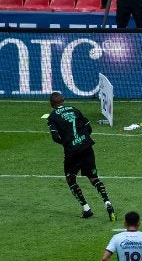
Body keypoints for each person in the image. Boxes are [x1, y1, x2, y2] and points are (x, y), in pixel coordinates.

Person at [47, 91, 115, 221]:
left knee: (71, 179)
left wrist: (67, 143)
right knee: (94, 178)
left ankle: (86, 209)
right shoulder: (74, 109)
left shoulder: (52, 116)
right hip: (87, 147)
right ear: (63, 100)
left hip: (72, 152)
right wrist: (83, 139)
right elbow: (88, 127)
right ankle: (108, 203)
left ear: (51, 104)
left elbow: (55, 137)